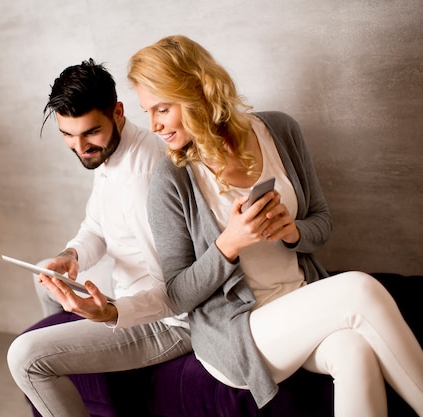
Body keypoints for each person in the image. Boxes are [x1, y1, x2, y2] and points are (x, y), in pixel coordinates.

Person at [127, 35, 423, 416]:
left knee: (355, 350)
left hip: (302, 298)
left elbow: (322, 223)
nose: (153, 125)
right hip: (240, 329)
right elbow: (178, 294)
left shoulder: (279, 131)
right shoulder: (172, 178)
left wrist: (292, 232)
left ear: (197, 92)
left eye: (162, 109)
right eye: (147, 111)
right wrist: (228, 244)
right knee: (359, 288)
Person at [7, 59, 190, 417]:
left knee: (25, 358)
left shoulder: (143, 176)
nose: (80, 147)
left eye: (90, 132)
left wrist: (109, 312)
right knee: (45, 274)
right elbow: (96, 226)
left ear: (118, 112)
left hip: (165, 321)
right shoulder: (111, 154)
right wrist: (72, 255)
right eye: (67, 134)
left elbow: (175, 290)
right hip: (131, 292)